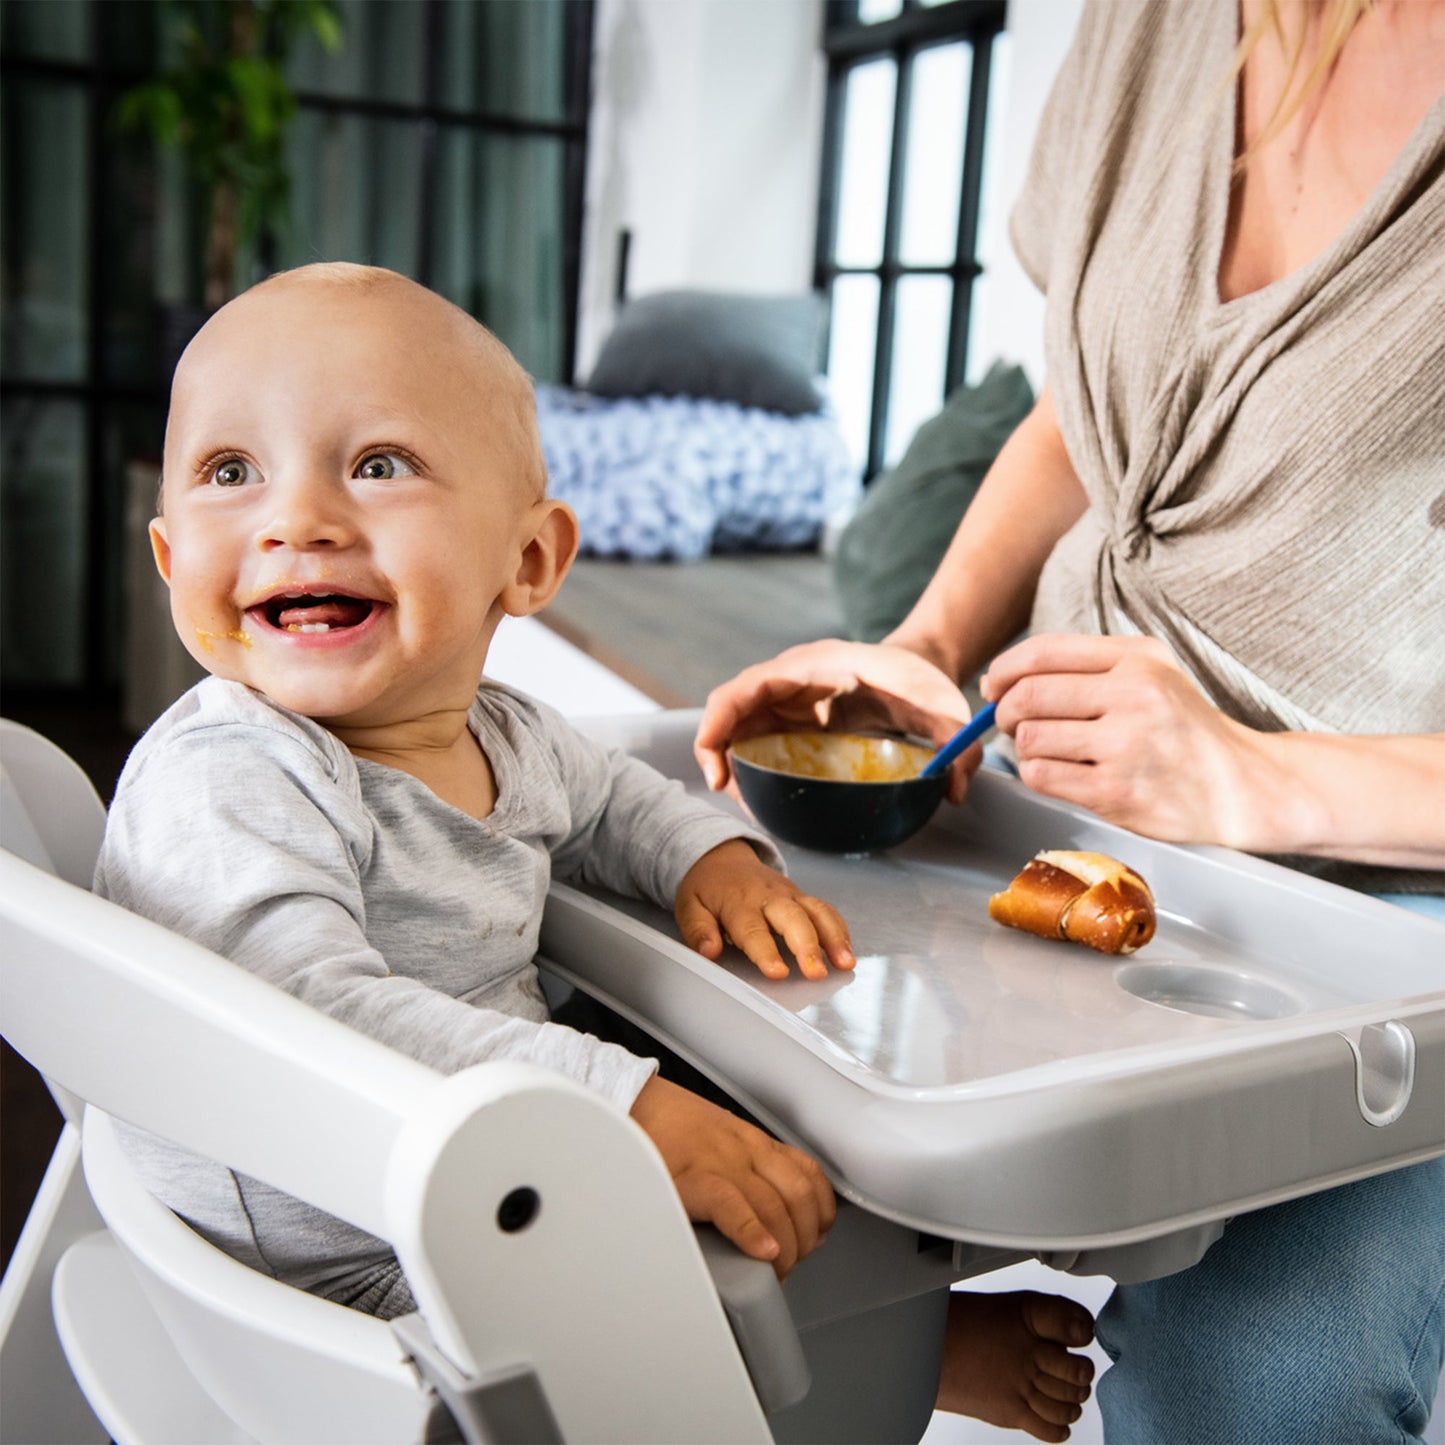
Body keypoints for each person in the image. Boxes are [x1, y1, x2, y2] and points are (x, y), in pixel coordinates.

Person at [94, 262, 1096, 1442]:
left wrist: (704, 860)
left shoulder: (504, 732)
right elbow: (301, 1021)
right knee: (681, 1250)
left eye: (375, 464)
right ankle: (889, 1365)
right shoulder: (236, 771)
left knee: (777, 1172)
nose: (292, 517)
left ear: (528, 563)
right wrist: (616, 1109)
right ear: (170, 561)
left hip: (460, 1181)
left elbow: (616, 797)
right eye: (229, 472)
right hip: (345, 1249)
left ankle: (883, 1341)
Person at [695, 1, 1444, 1441]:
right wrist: (922, 644)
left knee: (1259, 1380)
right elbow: (1084, 406)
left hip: (1381, 897)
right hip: (1060, 812)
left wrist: (1257, 785)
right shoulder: (1152, 23)